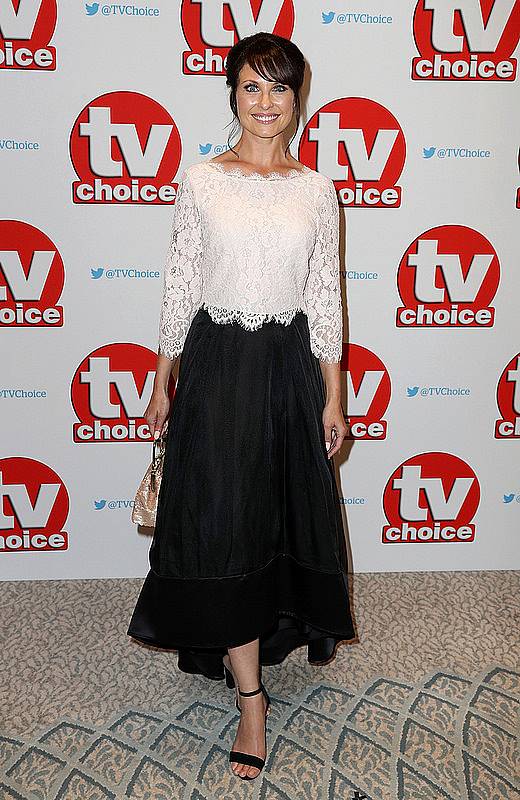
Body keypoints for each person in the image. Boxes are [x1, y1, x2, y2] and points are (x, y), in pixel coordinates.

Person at [127, 31, 355, 781]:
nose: (266, 103)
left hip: (288, 367)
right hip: (218, 364)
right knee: (222, 526)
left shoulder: (317, 191)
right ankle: (251, 699)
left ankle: (257, 656)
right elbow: (181, 282)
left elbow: (324, 296)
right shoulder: (201, 180)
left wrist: (333, 392)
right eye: (251, 87)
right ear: (231, 95)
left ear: (299, 99)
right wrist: (164, 378)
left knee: (271, 521)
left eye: (279, 88)